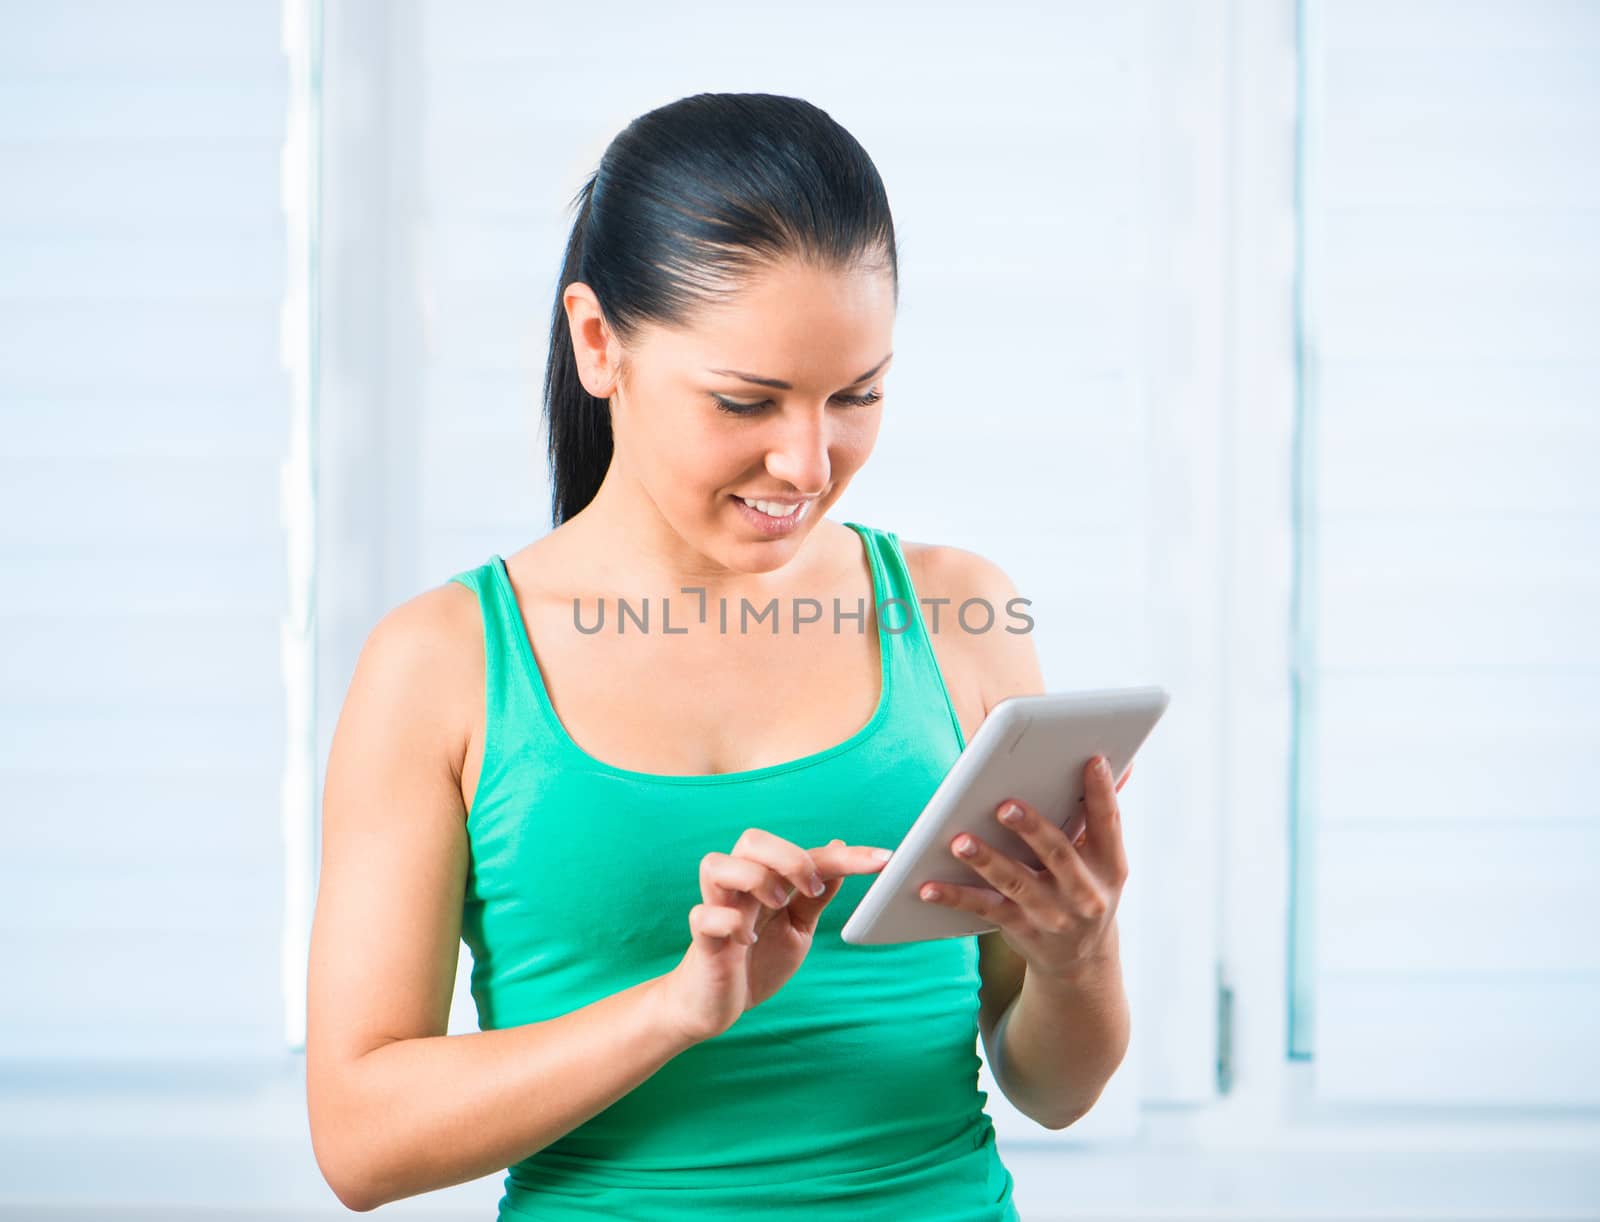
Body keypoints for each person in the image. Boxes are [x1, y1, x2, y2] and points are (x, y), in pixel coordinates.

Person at [307, 91, 1128, 1220]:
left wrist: (1080, 955)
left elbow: (1053, 1088)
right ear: (599, 343)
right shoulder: (441, 663)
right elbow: (359, 1142)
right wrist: (679, 1007)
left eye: (858, 395)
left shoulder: (957, 614)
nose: (805, 460)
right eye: (747, 400)